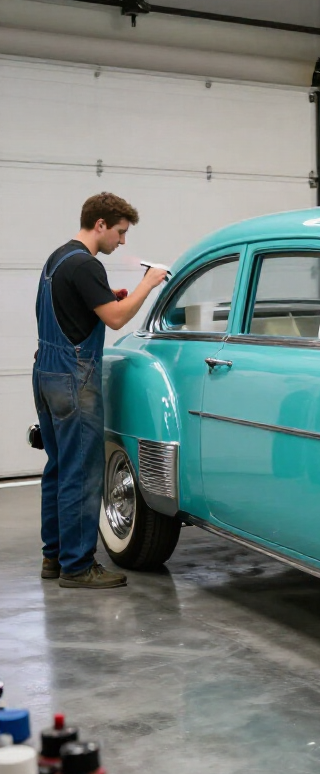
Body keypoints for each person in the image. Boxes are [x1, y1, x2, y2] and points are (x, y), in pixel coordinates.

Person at [34, 193, 167, 589]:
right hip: (75, 378)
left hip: (46, 373)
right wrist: (149, 283)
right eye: (120, 233)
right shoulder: (87, 265)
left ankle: (53, 557)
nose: (122, 242)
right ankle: (78, 567)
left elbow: (83, 310)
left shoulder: (57, 259)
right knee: (82, 472)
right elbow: (116, 320)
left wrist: (110, 300)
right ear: (101, 224)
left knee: (58, 468)